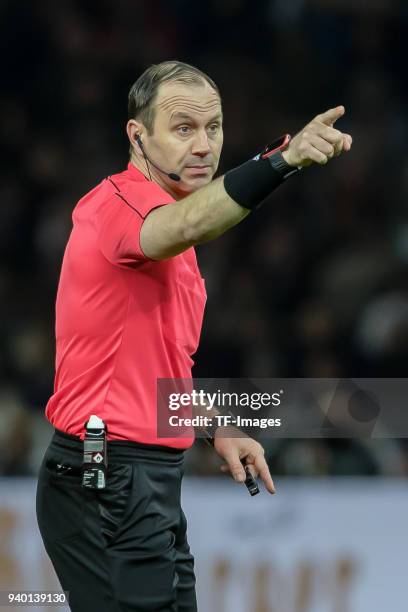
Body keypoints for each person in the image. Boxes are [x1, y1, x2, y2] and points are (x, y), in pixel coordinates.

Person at [35, 60, 352, 611]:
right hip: (103, 471)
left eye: (214, 127)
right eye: (183, 129)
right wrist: (282, 160)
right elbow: (184, 225)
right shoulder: (118, 205)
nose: (203, 145)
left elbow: (154, 369)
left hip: (146, 476)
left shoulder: (176, 227)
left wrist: (213, 427)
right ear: (138, 135)